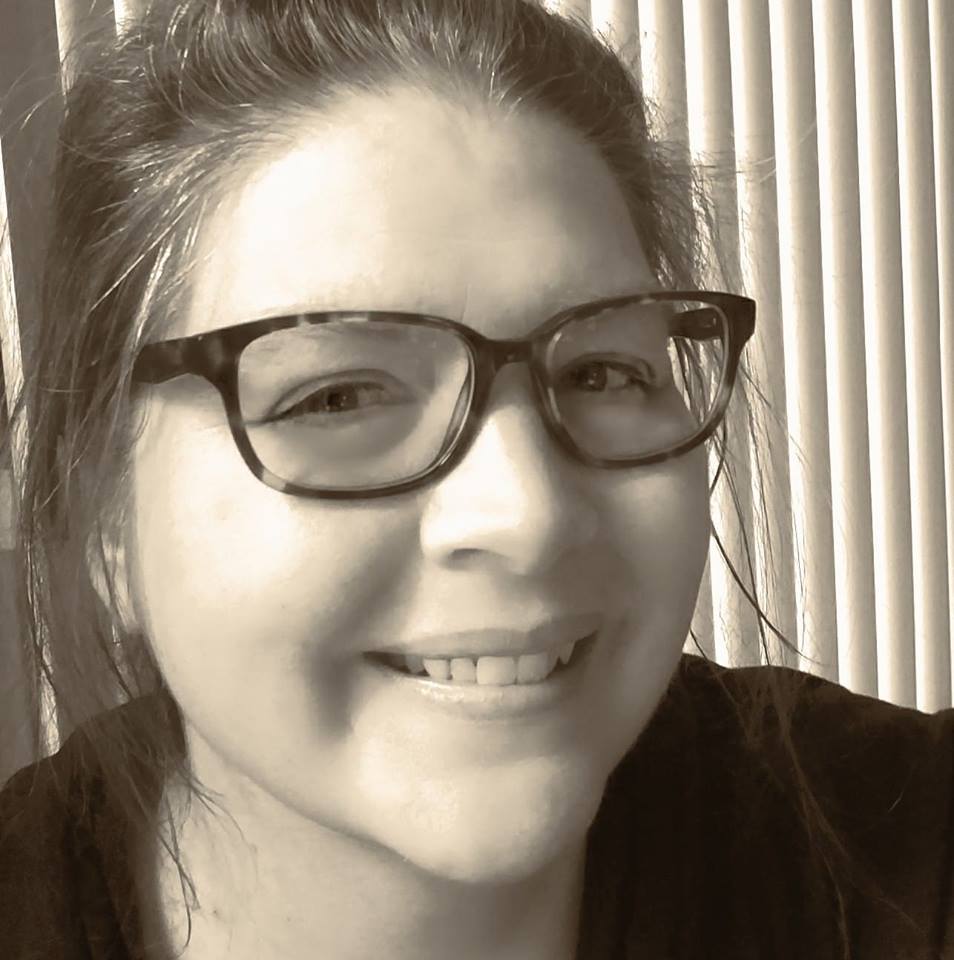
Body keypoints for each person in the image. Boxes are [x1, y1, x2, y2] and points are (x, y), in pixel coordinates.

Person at [0, 1, 951, 958]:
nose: (528, 514)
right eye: (336, 396)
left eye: (602, 373)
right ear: (100, 515)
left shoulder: (906, 843)